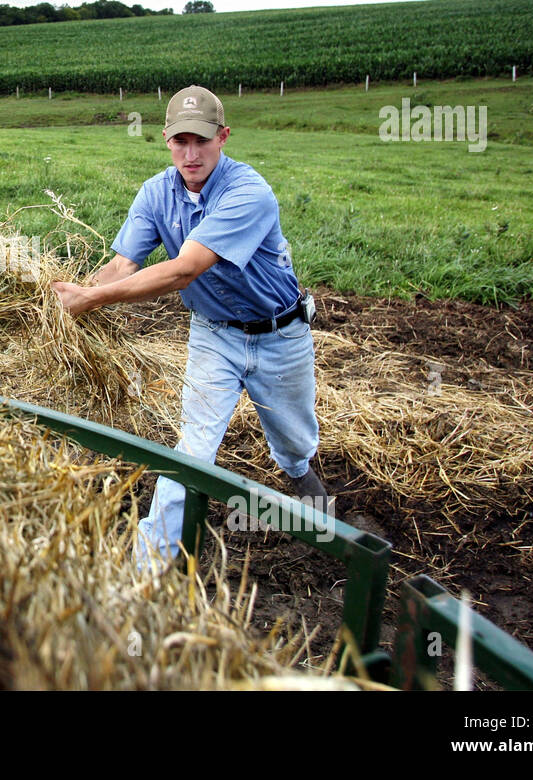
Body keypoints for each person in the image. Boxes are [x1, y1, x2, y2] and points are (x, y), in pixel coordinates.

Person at [50, 85, 330, 573]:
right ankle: (145, 570)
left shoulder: (249, 192)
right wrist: (71, 296)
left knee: (293, 444)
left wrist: (93, 299)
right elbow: (121, 265)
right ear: (166, 140)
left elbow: (184, 270)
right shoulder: (156, 193)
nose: (191, 153)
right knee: (193, 448)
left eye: (201, 140)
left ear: (223, 137)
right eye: (180, 141)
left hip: (279, 335)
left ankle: (314, 500)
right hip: (213, 336)